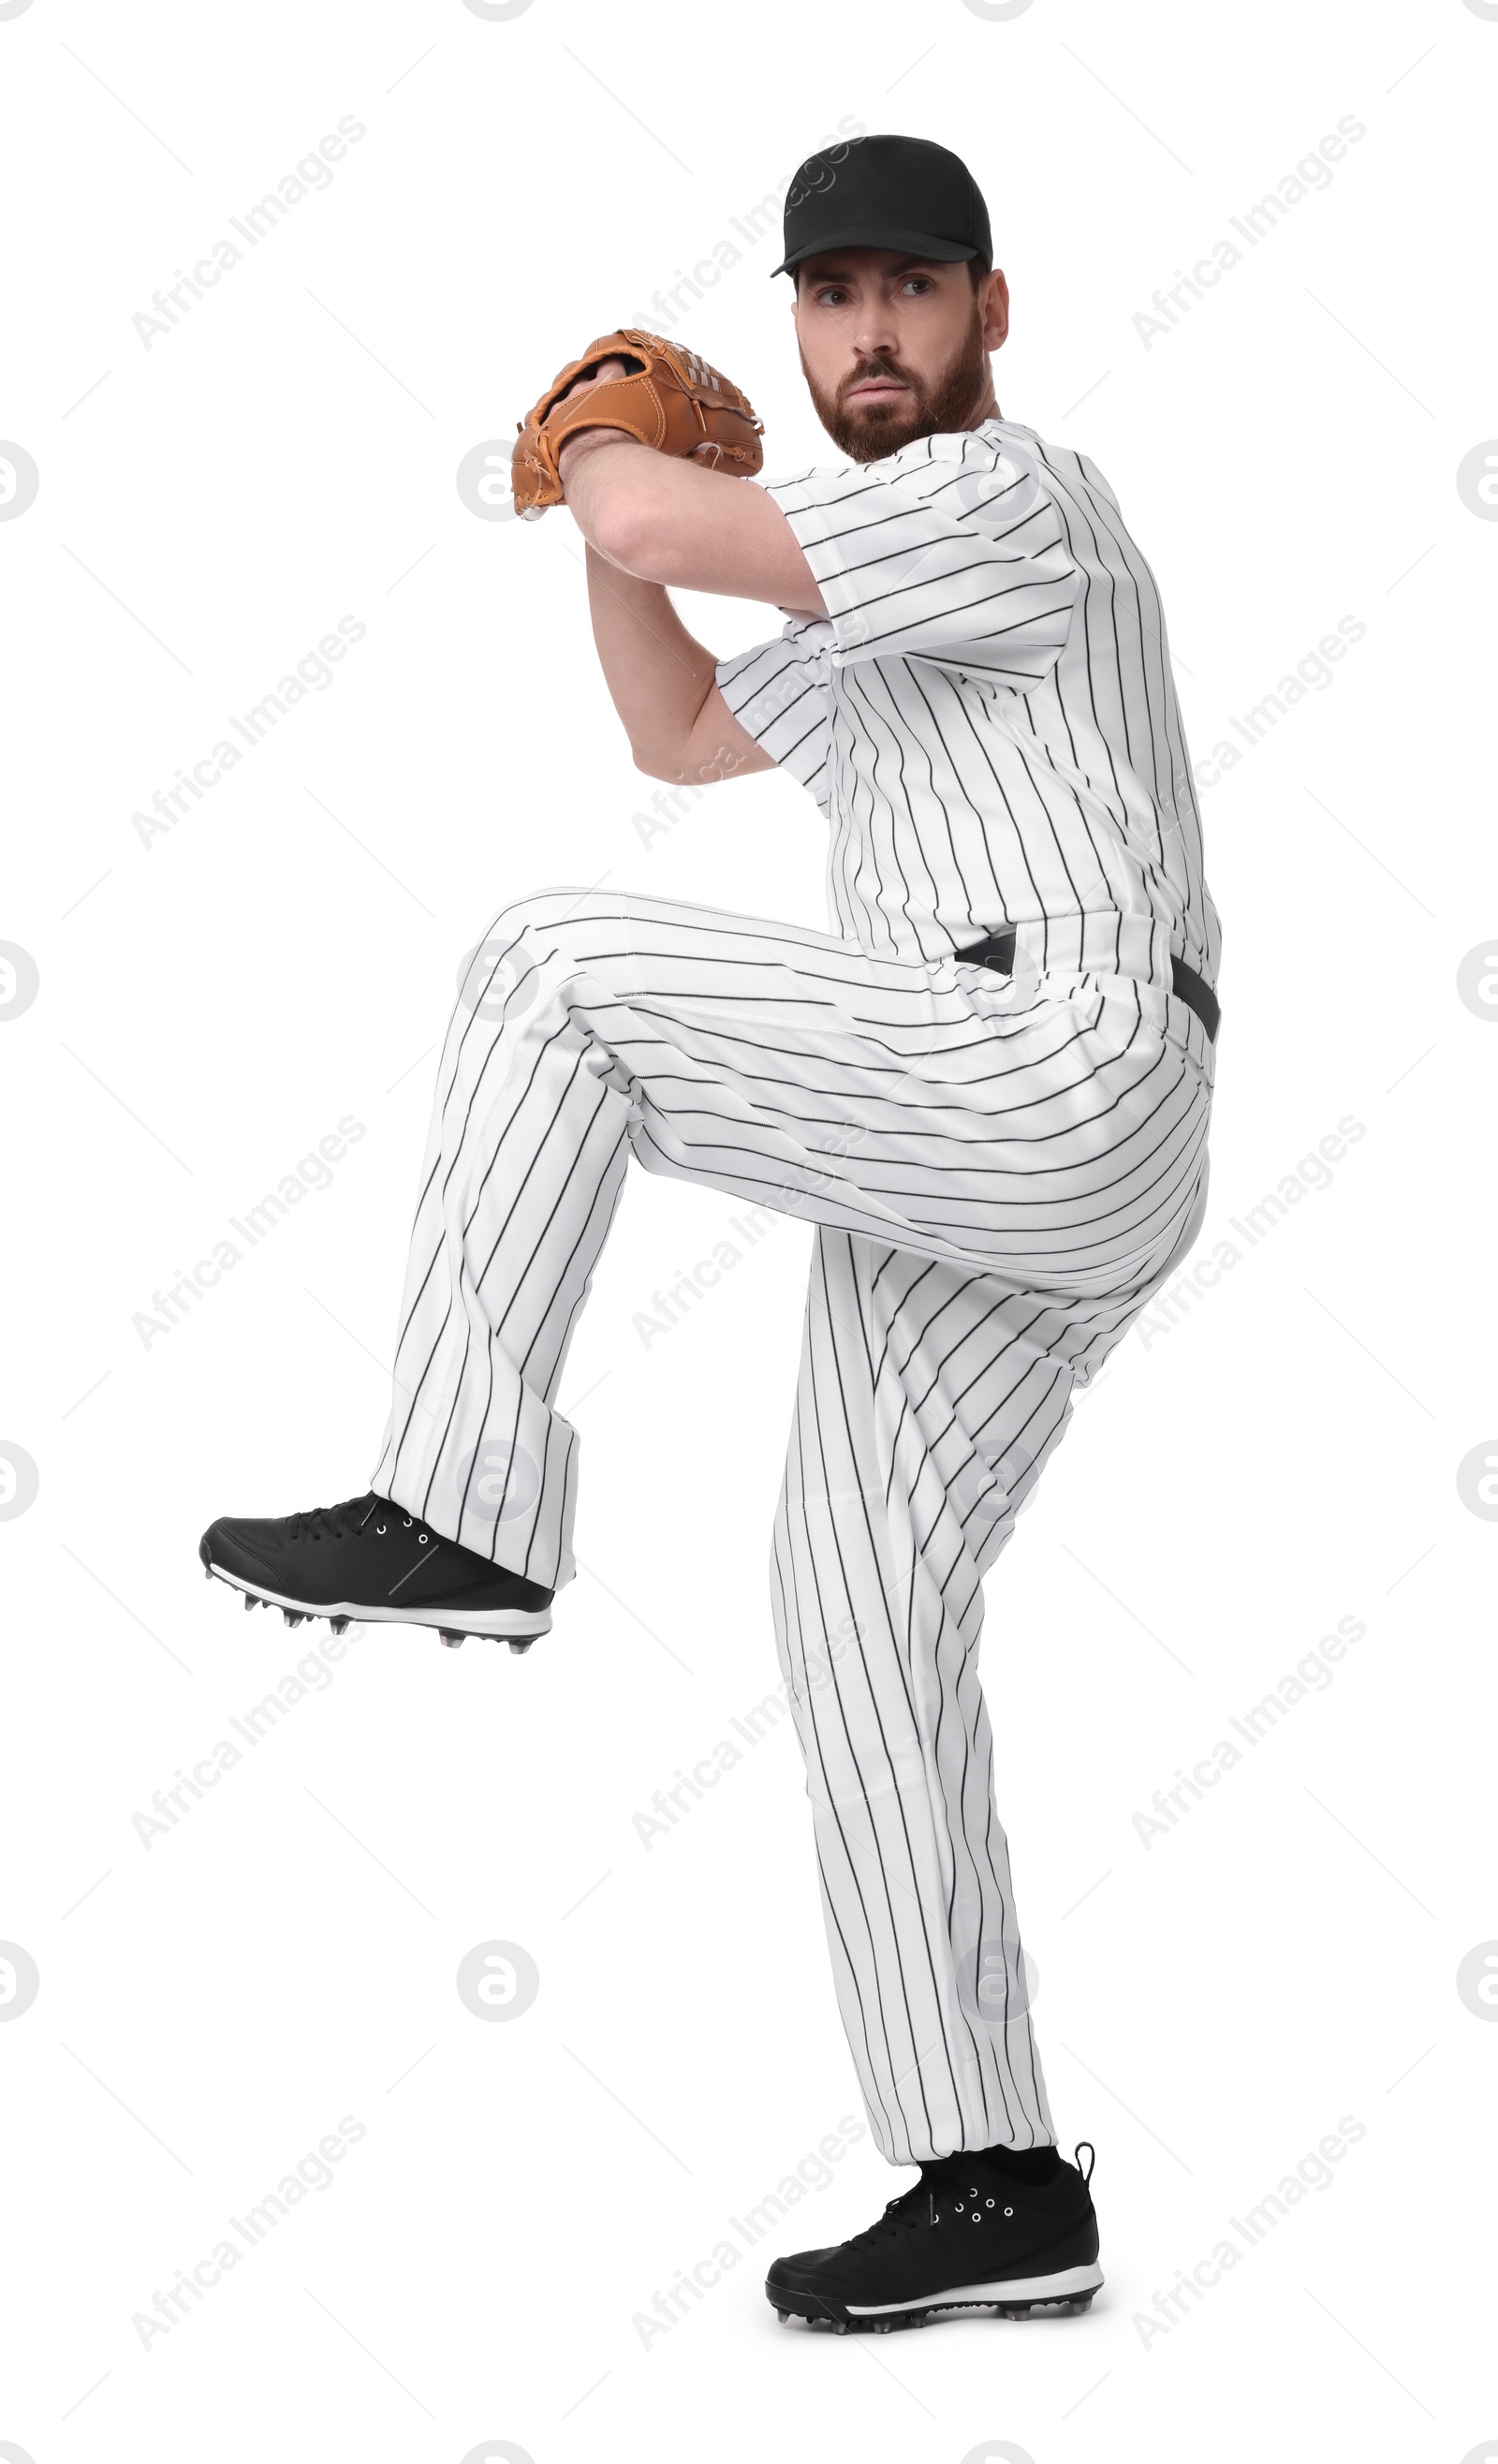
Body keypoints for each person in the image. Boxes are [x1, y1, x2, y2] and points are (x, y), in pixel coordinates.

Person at [200, 132, 1220, 2334]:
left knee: (555, 963)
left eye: (909, 292)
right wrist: (615, 501)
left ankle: (463, 1498)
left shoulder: (1002, 496)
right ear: (795, 320)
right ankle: (991, 2172)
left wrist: (595, 459)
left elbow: (661, 520)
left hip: (1055, 1051)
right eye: (831, 293)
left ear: (985, 316)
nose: (868, 333)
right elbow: (671, 720)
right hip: (970, 1125)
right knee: (853, 1598)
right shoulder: (866, 587)